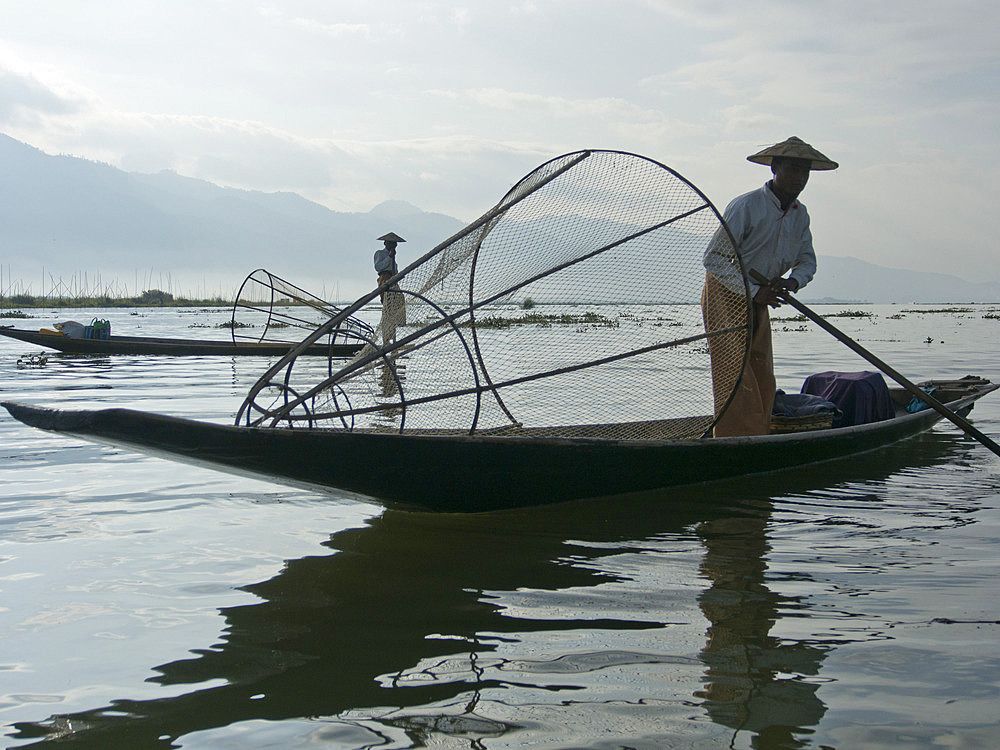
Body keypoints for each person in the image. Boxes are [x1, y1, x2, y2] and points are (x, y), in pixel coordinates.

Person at [702, 136, 838, 437]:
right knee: (736, 370)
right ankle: (733, 436)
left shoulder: (800, 214)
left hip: (764, 293)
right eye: (792, 169)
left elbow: (807, 261)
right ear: (774, 168)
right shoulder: (746, 206)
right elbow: (714, 258)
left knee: (761, 368)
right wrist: (752, 290)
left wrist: (791, 281)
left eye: (805, 172)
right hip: (727, 290)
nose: (800, 178)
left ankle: (758, 430)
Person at [373, 231, 406, 343]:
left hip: (393, 280)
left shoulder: (393, 256)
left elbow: (395, 270)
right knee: (387, 305)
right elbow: (378, 267)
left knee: (397, 303)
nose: (392, 246)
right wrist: (389, 257)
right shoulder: (380, 253)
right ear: (385, 244)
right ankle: (386, 337)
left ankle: (393, 333)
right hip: (384, 279)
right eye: (390, 244)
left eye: (394, 244)